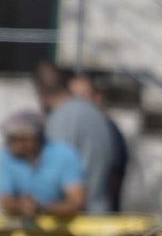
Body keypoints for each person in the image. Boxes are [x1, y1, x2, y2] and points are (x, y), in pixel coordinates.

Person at [35, 63, 123, 214]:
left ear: (40, 92)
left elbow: (56, 172)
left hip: (75, 218)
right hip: (100, 212)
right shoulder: (95, 113)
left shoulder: (60, 119)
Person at [0, 110, 87, 221]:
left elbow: (76, 202)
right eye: (11, 139)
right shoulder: (6, 155)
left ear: (38, 138)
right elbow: (5, 200)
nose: (15, 144)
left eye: (22, 139)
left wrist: (43, 209)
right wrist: (20, 206)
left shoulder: (64, 154)